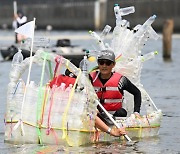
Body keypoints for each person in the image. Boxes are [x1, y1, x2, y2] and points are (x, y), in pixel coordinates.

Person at [49, 72, 126, 137]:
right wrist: (112, 132)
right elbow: (91, 116)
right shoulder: (78, 96)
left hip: (52, 126)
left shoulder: (56, 89)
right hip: (73, 131)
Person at [89, 49, 141, 124]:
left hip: (115, 118)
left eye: (108, 63)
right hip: (97, 116)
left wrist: (136, 112)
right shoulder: (90, 78)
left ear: (113, 65)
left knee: (122, 112)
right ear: (98, 64)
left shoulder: (121, 80)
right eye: (101, 62)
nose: (104, 66)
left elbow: (137, 93)